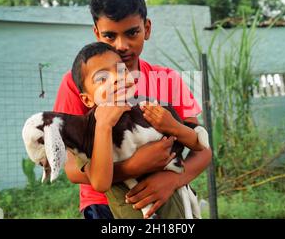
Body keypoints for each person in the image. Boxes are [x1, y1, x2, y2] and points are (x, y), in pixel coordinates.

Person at [53, 0, 212, 219]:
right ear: (97, 33)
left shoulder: (167, 80)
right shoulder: (76, 84)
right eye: (110, 35)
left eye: (131, 32)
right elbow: (72, 169)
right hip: (103, 205)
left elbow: (202, 149)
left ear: (146, 29)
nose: (121, 45)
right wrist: (133, 167)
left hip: (167, 198)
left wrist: (174, 178)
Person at [70, 41, 207, 218]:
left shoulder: (151, 109)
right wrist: (104, 127)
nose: (117, 78)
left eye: (121, 70)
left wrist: (173, 126)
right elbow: (100, 182)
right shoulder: (87, 133)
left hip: (178, 212)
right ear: (87, 100)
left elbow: (198, 143)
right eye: (102, 78)